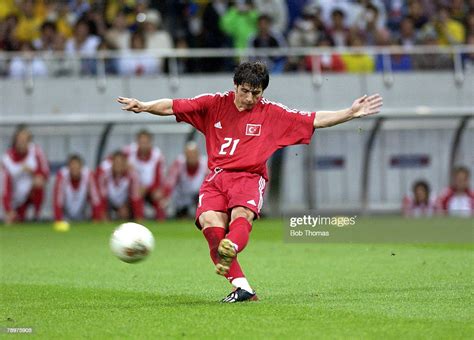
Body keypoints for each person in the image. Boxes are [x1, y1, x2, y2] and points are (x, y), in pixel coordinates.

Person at [117, 61, 383, 303]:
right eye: (245, 91)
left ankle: (231, 246)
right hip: (217, 177)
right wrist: (144, 106)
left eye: (256, 93)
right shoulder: (213, 104)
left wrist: (350, 112)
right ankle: (242, 288)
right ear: (235, 86)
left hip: (249, 176)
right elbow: (173, 105)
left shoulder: (272, 113)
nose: (249, 98)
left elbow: (314, 119)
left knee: (240, 215)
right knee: (210, 223)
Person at [2, 125, 49, 224]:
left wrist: (32, 172)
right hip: (14, 197)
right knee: (14, 221)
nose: (22, 142)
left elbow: (45, 173)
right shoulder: (7, 159)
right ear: (15, 140)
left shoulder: (36, 151)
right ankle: (14, 214)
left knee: (39, 181)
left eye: (25, 139)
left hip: (30, 194)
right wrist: (8, 208)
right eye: (20, 139)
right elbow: (4, 186)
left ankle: (36, 215)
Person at [123, 130, 166, 220]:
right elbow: (115, 162)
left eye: (146, 142)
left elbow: (159, 177)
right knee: (135, 192)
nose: (143, 145)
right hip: (131, 188)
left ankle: (160, 220)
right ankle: (139, 219)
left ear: (150, 143)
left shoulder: (157, 156)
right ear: (137, 142)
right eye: (141, 142)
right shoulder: (128, 152)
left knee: (159, 199)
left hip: (151, 188)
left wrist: (149, 188)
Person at [164, 141, 208, 218]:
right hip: (182, 196)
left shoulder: (205, 164)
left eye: (194, 154)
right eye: (189, 154)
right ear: (185, 155)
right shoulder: (179, 163)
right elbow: (171, 181)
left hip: (199, 196)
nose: (191, 157)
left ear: (198, 155)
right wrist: (165, 196)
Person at [53, 154, 103, 222]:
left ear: (81, 167)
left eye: (77, 165)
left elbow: (95, 199)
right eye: (72, 165)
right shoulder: (62, 176)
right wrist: (58, 220)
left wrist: (96, 218)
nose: (74, 168)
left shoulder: (88, 175)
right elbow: (58, 200)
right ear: (68, 167)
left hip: (84, 217)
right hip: (65, 218)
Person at [96, 151, 144, 221]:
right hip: (109, 203)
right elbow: (102, 197)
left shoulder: (132, 176)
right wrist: (103, 213)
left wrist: (139, 216)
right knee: (102, 217)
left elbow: (135, 197)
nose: (118, 165)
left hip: (125, 202)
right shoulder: (104, 176)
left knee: (124, 213)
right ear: (112, 163)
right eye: (116, 163)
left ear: (125, 164)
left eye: (121, 163)